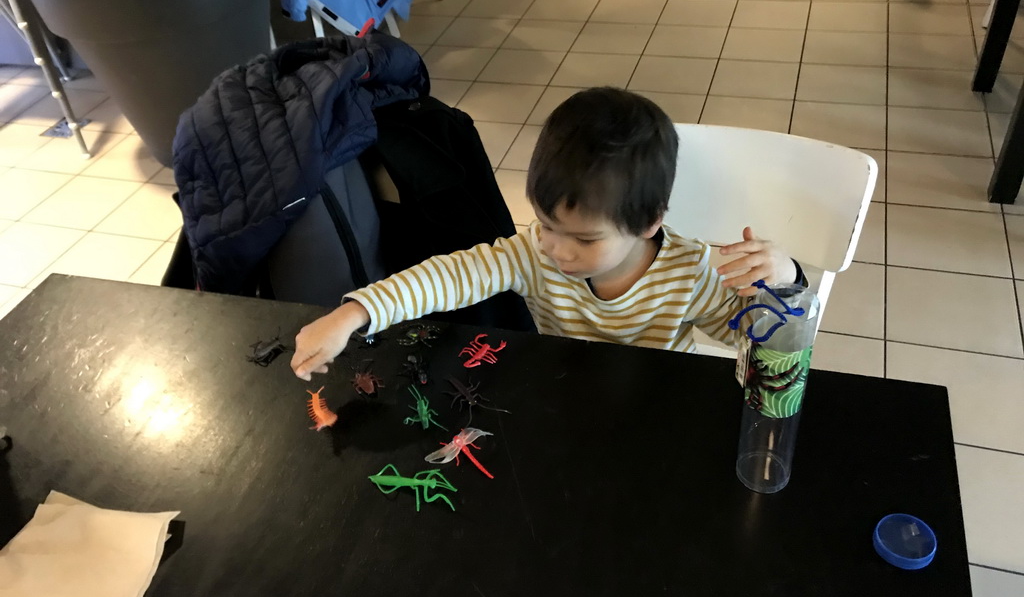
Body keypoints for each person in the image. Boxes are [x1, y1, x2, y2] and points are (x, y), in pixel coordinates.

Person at [291, 87, 800, 381]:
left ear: (648, 223)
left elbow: (757, 342)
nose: (556, 249)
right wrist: (355, 312)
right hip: (562, 397)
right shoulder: (533, 255)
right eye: (548, 225)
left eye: (584, 240)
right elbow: (448, 275)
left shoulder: (690, 272)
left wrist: (786, 280)